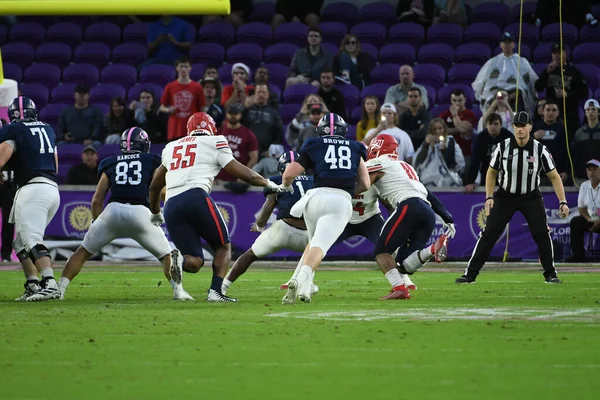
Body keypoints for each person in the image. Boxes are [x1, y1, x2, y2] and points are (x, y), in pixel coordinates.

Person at [148, 112, 283, 302]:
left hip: (171, 203)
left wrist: (155, 213)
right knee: (223, 247)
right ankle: (215, 293)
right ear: (211, 128)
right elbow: (246, 174)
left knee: (194, 262)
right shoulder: (216, 141)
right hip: (195, 195)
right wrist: (269, 184)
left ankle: (178, 261)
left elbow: (154, 186)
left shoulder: (171, 147)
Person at [57, 128, 193, 301]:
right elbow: (161, 191)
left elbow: (97, 200)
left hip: (113, 212)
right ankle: (178, 291)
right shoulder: (152, 160)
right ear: (144, 145)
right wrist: (159, 210)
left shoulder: (110, 162)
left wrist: (96, 222)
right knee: (166, 256)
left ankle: (60, 290)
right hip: (140, 213)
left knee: (82, 253)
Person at [455, 111, 570, 284]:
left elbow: (554, 176)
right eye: (517, 126)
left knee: (542, 233)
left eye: (523, 126)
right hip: (505, 195)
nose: (520, 129)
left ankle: (550, 274)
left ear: (530, 127)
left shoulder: (540, 149)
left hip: (530, 196)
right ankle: (470, 274)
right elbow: (491, 172)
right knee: (489, 233)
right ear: (513, 127)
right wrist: (489, 197)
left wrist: (563, 202)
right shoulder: (503, 147)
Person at [278, 113, 371, 304]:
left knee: (313, 243)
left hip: (314, 198)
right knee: (320, 246)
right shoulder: (356, 147)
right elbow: (365, 183)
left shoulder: (313, 144)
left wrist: (286, 186)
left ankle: (305, 287)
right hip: (340, 199)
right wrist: (347, 192)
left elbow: (288, 174)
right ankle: (299, 279)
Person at [366, 134, 454, 299]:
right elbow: (429, 195)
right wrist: (448, 217)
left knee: (381, 251)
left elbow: (362, 184)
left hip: (409, 205)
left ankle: (400, 288)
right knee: (404, 265)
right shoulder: (405, 166)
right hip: (427, 211)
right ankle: (433, 249)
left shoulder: (378, 162)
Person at [222, 151, 315, 295]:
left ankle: (223, 286)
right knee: (316, 252)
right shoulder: (313, 180)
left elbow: (269, 206)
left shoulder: (277, 179)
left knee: (250, 255)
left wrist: (259, 225)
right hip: (308, 234)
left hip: (284, 229)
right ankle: (306, 284)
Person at [0, 97, 61, 301]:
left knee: (33, 239)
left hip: (32, 189)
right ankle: (33, 284)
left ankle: (50, 282)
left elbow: (2, 157)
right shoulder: (48, 129)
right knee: (20, 243)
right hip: (51, 189)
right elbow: (55, 163)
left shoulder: (13, 130)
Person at [334, 184, 418, 291]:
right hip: (344, 218)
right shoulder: (342, 180)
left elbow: (390, 206)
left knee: (390, 245)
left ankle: (403, 278)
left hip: (370, 218)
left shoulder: (374, 182)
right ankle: (307, 279)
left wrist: (396, 226)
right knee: (319, 244)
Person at [159, 57, 206, 141]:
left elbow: (202, 109)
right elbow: (162, 107)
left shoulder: (197, 87)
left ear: (190, 68)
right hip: (175, 129)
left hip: (192, 128)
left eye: (186, 66)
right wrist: (168, 110)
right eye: (181, 66)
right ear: (177, 68)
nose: (183, 69)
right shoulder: (170, 86)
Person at [465, 113, 513, 193]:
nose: (493, 126)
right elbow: (475, 161)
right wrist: (470, 181)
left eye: (496, 124)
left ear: (501, 125)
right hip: (487, 174)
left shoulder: (508, 137)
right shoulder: (480, 138)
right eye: (490, 124)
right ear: (486, 125)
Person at [568, 159, 600, 262]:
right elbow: (581, 208)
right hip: (590, 219)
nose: (592, 172)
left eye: (595, 169)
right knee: (576, 222)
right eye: (589, 170)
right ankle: (579, 256)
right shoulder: (584, 186)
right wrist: (589, 219)